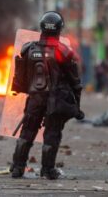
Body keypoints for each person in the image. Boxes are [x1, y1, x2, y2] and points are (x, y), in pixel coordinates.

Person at [9, 11, 84, 180]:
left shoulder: (28, 49)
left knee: (27, 132)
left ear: (42, 27)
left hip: (35, 99)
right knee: (52, 134)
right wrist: (77, 107)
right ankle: (48, 170)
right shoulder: (64, 52)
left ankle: (17, 168)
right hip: (55, 101)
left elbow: (21, 80)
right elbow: (76, 83)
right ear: (59, 29)